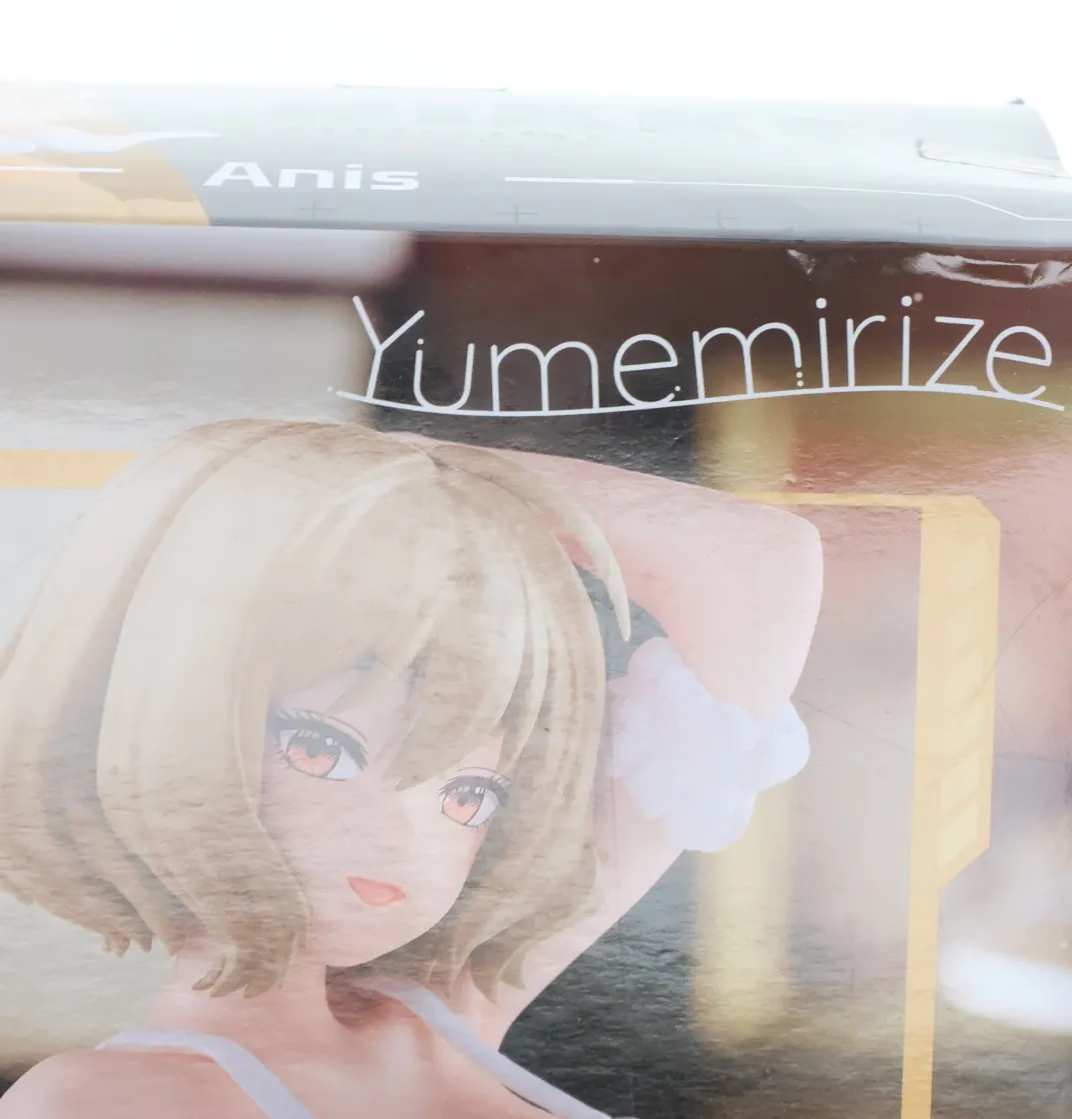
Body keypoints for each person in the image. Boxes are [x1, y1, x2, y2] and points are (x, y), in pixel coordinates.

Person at [0, 420, 821, 1117]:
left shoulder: (451, 1009)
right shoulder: (107, 1100)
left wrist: (396, 469)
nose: (403, 837)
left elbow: (757, 561)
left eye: (469, 796)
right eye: (321, 750)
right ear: (170, 733)